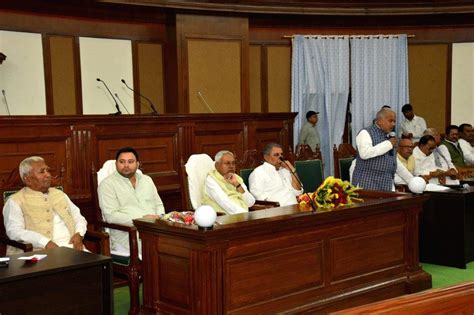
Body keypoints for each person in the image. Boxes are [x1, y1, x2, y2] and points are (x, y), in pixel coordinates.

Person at [3, 156, 87, 254]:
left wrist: (79, 234)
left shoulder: (60, 194)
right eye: (42, 172)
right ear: (28, 179)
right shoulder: (15, 200)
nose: (48, 175)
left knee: (98, 266)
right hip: (38, 252)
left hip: (74, 248)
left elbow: (79, 217)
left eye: (48, 170)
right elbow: (14, 231)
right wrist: (44, 242)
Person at [98, 147, 165, 255]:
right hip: (129, 235)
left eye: (130, 162)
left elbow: (158, 204)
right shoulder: (107, 184)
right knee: (163, 251)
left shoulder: (147, 180)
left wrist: (160, 218)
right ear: (116, 164)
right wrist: (142, 220)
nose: (126, 165)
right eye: (122, 162)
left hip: (155, 230)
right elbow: (111, 216)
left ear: (138, 164)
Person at [352, 108, 397, 191]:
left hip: (386, 182)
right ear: (379, 121)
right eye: (390, 121)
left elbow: (393, 160)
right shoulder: (365, 132)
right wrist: (389, 144)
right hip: (367, 181)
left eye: (394, 121)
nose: (393, 124)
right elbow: (365, 154)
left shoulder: (389, 136)